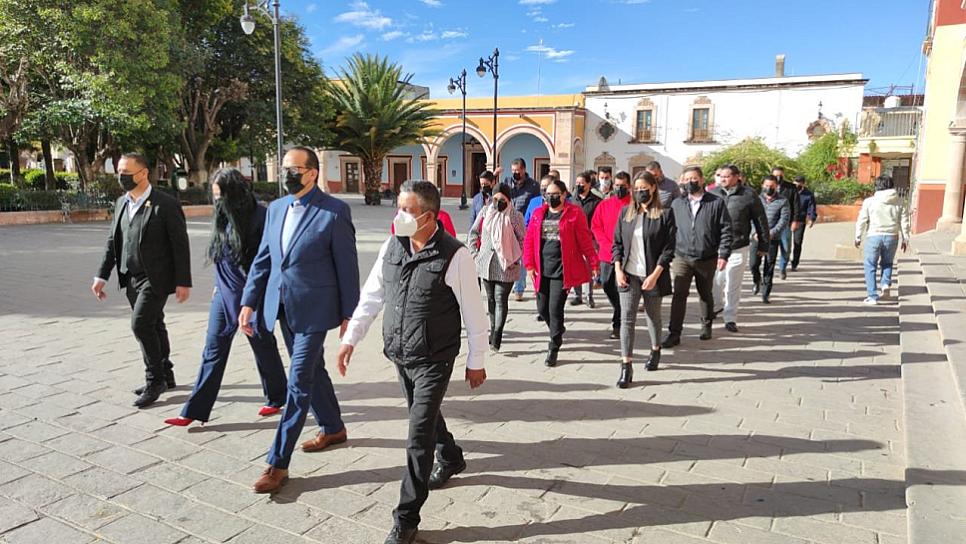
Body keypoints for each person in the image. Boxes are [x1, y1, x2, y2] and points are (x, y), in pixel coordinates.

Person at [337, 181, 487, 544]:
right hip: (400, 353)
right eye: (397, 207)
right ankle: (450, 456)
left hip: (435, 358)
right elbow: (373, 295)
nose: (398, 215)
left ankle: (406, 518)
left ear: (429, 216)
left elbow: (474, 312)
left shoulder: (455, 255)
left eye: (406, 210)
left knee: (417, 434)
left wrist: (476, 359)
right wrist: (350, 338)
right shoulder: (392, 246)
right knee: (426, 413)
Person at [240, 146, 360, 494]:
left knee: (298, 381)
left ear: (311, 173)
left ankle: (277, 463)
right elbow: (264, 260)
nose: (286, 174)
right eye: (283, 168)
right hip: (280, 305)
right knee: (312, 371)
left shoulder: (334, 211)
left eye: (293, 169)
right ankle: (334, 427)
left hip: (315, 309)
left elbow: (347, 267)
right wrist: (249, 301)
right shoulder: (275, 209)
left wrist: (348, 314)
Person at [163, 169, 287, 427]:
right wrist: (218, 284)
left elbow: (264, 263)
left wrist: (250, 301)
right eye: (215, 196)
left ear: (236, 192)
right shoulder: (221, 213)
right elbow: (221, 253)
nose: (218, 201)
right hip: (224, 292)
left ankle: (277, 396)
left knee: (263, 344)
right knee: (213, 348)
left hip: (255, 292)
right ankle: (193, 410)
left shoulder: (262, 217)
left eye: (221, 196)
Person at [92, 152, 192, 408]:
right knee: (155, 323)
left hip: (156, 277)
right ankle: (166, 372)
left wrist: (183, 281)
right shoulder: (121, 203)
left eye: (126, 173)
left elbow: (180, 245)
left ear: (143, 173)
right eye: (119, 172)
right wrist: (102, 275)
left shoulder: (165, 204)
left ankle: (154, 380)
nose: (121, 177)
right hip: (131, 276)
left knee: (140, 325)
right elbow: (112, 242)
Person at [523, 179, 599, 367]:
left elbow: (585, 240)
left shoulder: (574, 214)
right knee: (542, 309)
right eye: (548, 194)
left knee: (555, 309)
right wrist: (529, 264)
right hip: (542, 269)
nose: (551, 197)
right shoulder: (538, 213)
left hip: (562, 269)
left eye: (555, 194)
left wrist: (594, 262)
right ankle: (557, 329)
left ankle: (554, 345)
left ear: (564, 195)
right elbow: (529, 241)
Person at [612, 171, 675, 388]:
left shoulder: (665, 215)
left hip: (652, 276)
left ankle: (655, 349)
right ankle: (626, 366)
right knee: (627, 320)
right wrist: (618, 270)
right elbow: (617, 244)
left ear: (653, 188)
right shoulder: (625, 214)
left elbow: (668, 250)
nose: (639, 192)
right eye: (636, 189)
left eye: (643, 188)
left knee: (653, 316)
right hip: (629, 275)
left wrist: (655, 275)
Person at [662, 166, 732, 348]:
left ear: (701, 180)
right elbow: (669, 229)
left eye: (693, 179)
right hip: (682, 257)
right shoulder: (677, 203)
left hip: (706, 257)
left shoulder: (716, 203)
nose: (690, 182)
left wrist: (723, 254)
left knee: (705, 294)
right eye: (686, 179)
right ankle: (674, 333)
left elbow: (726, 229)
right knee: (679, 295)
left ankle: (706, 324)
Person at [709, 164, 768, 333]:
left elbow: (760, 220)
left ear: (736, 177)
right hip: (716, 247)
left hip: (738, 246)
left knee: (733, 284)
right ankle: (717, 306)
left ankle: (730, 317)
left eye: (726, 176)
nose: (722, 179)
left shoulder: (749, 195)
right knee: (716, 281)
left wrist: (764, 244)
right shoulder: (712, 194)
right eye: (720, 176)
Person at [468, 184, 525, 351]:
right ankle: (492, 331)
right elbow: (474, 232)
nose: (498, 202)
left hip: (507, 263)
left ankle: (498, 334)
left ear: (509, 200)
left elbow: (523, 238)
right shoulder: (485, 212)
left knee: (501, 299)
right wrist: (474, 253)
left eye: (502, 200)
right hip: (486, 262)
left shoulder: (515, 215)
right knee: (491, 299)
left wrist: (516, 258)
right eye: (495, 199)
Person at [855, 175, 910, 304]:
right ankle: (885, 284)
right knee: (887, 263)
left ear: (878, 186)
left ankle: (872, 296)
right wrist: (905, 238)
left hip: (874, 235)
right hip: (892, 236)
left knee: (870, 265)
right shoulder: (899, 201)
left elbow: (862, 220)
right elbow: (904, 221)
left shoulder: (869, 201)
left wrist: (857, 236)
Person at [591, 171, 633, 339]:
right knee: (607, 285)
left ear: (629, 186)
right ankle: (621, 309)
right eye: (616, 185)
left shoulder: (633, 205)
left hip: (627, 254)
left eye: (622, 186)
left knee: (622, 287)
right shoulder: (604, 205)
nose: (618, 188)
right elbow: (596, 226)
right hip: (607, 254)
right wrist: (605, 243)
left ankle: (618, 323)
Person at [497, 158, 539, 302]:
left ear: (524, 170)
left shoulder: (533, 186)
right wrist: (495, 177)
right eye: (513, 170)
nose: (515, 173)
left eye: (517, 171)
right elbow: (496, 194)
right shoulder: (507, 183)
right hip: (508, 224)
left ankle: (519, 288)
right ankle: (507, 283)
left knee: (521, 257)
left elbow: (536, 205)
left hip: (524, 226)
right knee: (509, 255)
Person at [751, 176, 790, 304]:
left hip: (772, 238)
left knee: (769, 265)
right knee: (753, 264)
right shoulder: (756, 199)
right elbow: (750, 217)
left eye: (772, 186)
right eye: (767, 185)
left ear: (776, 186)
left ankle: (766, 293)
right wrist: (754, 232)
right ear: (762, 185)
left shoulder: (782, 201)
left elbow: (784, 220)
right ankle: (757, 280)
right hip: (757, 238)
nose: (769, 188)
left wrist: (771, 233)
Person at [570, 170, 602, 308]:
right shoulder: (572, 200)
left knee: (588, 268)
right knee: (575, 266)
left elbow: (598, 221)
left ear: (589, 184)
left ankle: (589, 296)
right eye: (577, 183)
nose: (579, 186)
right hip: (573, 238)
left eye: (582, 183)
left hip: (589, 238)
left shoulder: (596, 201)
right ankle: (577, 295)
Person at [772, 166, 800, 280]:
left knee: (786, 248)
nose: (778, 177)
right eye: (776, 175)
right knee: (771, 248)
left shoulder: (791, 188)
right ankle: (770, 267)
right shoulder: (767, 187)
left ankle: (782, 268)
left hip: (786, 223)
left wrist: (795, 220)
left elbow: (796, 205)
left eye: (780, 175)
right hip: (772, 223)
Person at [790, 175, 817, 271]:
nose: (797, 185)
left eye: (799, 183)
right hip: (787, 219)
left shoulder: (808, 195)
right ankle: (784, 261)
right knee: (785, 242)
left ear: (803, 184)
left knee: (797, 242)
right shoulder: (790, 192)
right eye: (795, 183)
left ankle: (794, 263)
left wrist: (811, 218)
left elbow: (811, 207)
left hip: (800, 221)